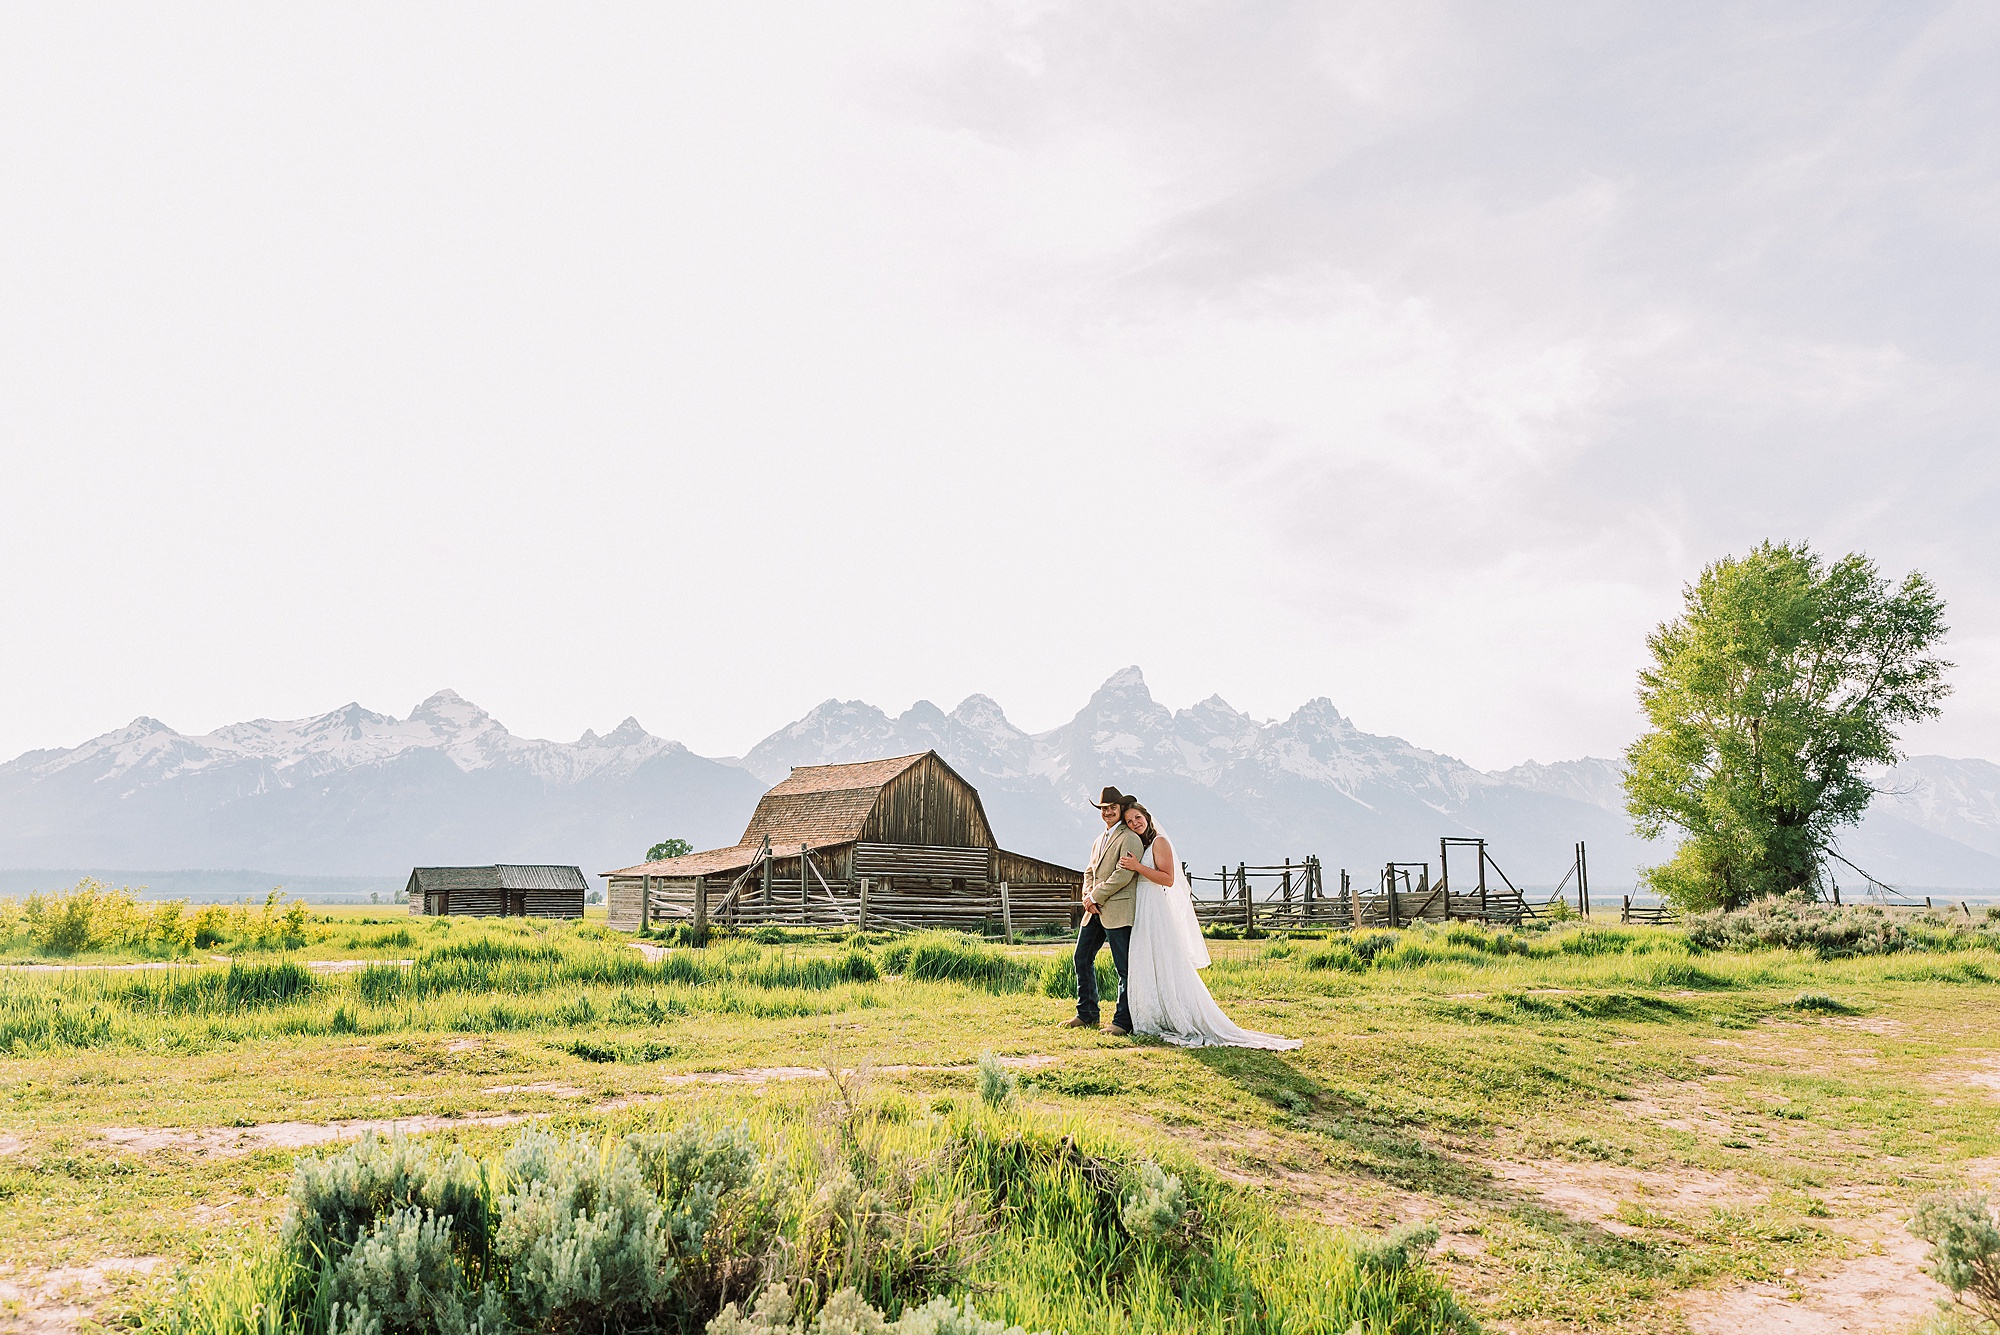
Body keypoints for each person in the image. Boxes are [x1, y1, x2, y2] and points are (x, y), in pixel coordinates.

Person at [1117, 803, 1302, 1050]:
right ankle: (1154, 1010)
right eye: (1129, 821)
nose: (1134, 823)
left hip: (1155, 907)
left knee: (1163, 956)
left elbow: (1168, 879)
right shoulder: (1141, 844)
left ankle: (1177, 1012)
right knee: (1146, 959)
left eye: (1137, 818)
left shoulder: (1159, 842)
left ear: (1147, 817)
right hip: (1143, 906)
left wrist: (1138, 867)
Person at [1063, 785, 1143, 1035]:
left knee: (1124, 968)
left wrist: (1096, 895)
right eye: (1104, 808)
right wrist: (1087, 894)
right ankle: (1086, 1014)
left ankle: (1123, 1022)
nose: (1108, 812)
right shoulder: (1099, 839)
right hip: (1094, 909)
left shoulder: (1130, 837)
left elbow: (1124, 875)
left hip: (1118, 909)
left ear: (1121, 809)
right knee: (1081, 957)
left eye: (1112, 808)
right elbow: (1090, 871)